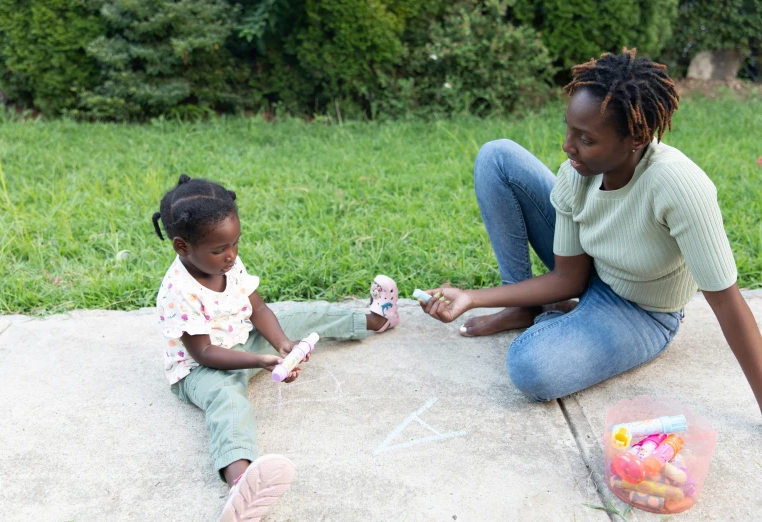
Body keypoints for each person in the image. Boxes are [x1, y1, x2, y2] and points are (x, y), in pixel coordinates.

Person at [419, 48, 762, 415]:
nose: (568, 146)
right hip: (590, 270)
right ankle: (524, 307)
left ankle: (565, 318)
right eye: (569, 129)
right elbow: (569, 277)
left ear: (635, 138)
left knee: (530, 366)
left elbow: (727, 302)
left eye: (586, 138)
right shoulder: (576, 171)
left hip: (641, 311)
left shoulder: (678, 186)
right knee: (497, 157)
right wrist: (472, 296)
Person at [151, 175, 399, 521]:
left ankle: (376, 319)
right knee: (228, 400)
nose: (231, 255)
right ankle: (240, 483)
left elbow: (259, 308)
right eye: (220, 249)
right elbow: (204, 352)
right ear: (182, 247)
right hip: (201, 368)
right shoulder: (179, 291)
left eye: (235, 243)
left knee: (299, 314)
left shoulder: (228, 263)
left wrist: (282, 344)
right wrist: (260, 360)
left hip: (242, 336)